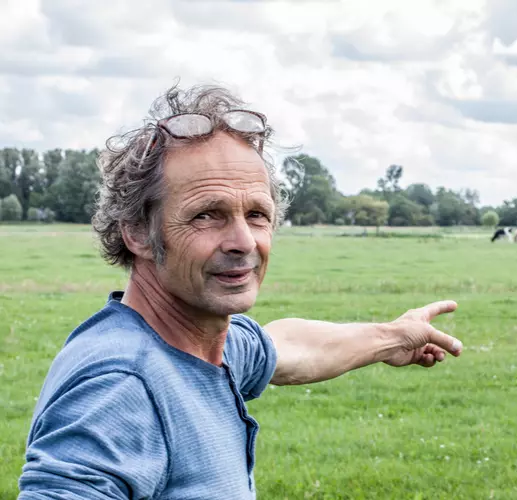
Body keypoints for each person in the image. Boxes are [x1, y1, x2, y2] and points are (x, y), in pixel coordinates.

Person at [17, 83, 464, 499]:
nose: (244, 242)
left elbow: (285, 346)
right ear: (136, 231)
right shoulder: (120, 387)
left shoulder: (202, 346)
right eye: (207, 215)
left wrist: (393, 336)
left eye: (256, 214)